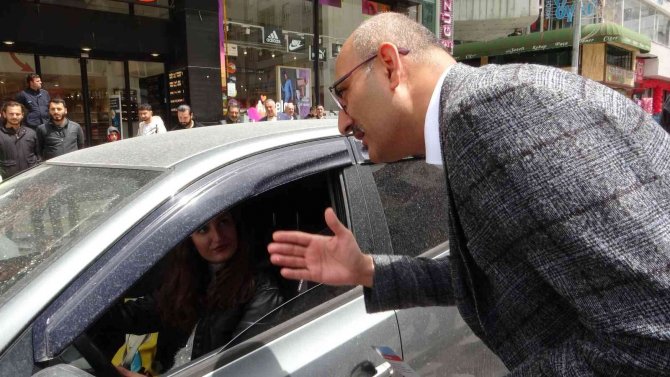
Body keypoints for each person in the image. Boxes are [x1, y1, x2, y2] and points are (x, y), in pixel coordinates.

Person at [268, 12, 670, 376]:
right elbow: (489, 276)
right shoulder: (480, 112)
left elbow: (655, 331)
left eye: (343, 93)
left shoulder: (487, 116)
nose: (341, 122)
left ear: (390, 66)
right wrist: (367, 270)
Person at [97, 210, 283, 375]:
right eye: (203, 229)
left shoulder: (260, 289)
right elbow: (141, 313)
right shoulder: (190, 279)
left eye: (224, 222)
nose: (217, 237)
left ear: (236, 226)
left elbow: (243, 368)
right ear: (190, 239)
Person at [0, 101, 40, 179]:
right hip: (9, 180)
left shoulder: (31, 133)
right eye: (11, 114)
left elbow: (39, 155)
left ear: (22, 115)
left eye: (17, 114)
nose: (15, 116)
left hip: (31, 177)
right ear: (4, 114)